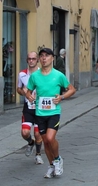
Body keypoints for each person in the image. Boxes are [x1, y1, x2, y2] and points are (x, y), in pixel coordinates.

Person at [26, 48, 76, 179]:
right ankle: (51, 165)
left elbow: (72, 89)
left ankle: (58, 159)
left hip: (54, 112)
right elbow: (28, 91)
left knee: (50, 138)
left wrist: (62, 97)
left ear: (52, 58)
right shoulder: (34, 76)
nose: (44, 58)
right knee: (45, 142)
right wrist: (29, 96)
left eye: (47, 56)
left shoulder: (58, 75)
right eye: (41, 56)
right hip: (39, 113)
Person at [16, 51, 44, 165]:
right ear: (27, 60)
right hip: (28, 107)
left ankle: (38, 155)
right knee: (25, 132)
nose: (31, 61)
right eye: (29, 59)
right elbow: (18, 89)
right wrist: (24, 92)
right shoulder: (22, 74)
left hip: (40, 108)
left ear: (37, 60)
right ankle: (30, 143)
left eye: (33, 59)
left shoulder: (42, 73)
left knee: (38, 134)